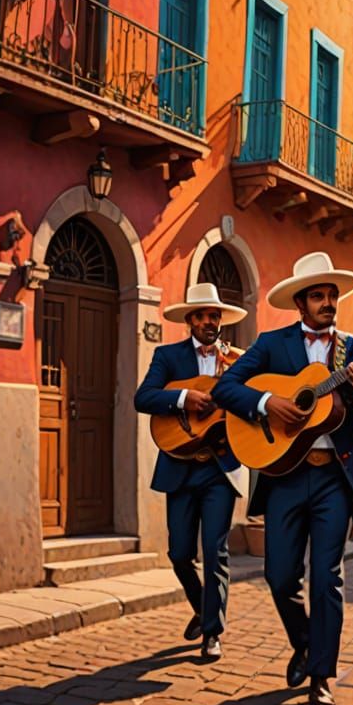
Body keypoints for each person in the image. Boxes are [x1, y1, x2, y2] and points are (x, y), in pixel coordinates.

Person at [212, 253, 353, 705]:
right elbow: (227, 389)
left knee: (327, 579)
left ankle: (321, 676)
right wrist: (268, 403)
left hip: (334, 479)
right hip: (284, 475)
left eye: (332, 296)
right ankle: (304, 643)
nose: (328, 303)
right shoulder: (272, 344)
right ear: (300, 303)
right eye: (319, 296)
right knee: (280, 576)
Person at [134, 283, 246, 661]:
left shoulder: (237, 361)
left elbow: (250, 402)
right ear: (190, 321)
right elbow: (143, 398)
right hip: (180, 465)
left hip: (219, 468)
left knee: (216, 551)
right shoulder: (168, 357)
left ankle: (212, 632)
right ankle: (201, 607)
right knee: (180, 552)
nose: (209, 322)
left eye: (214, 316)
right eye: (201, 316)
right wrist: (184, 397)